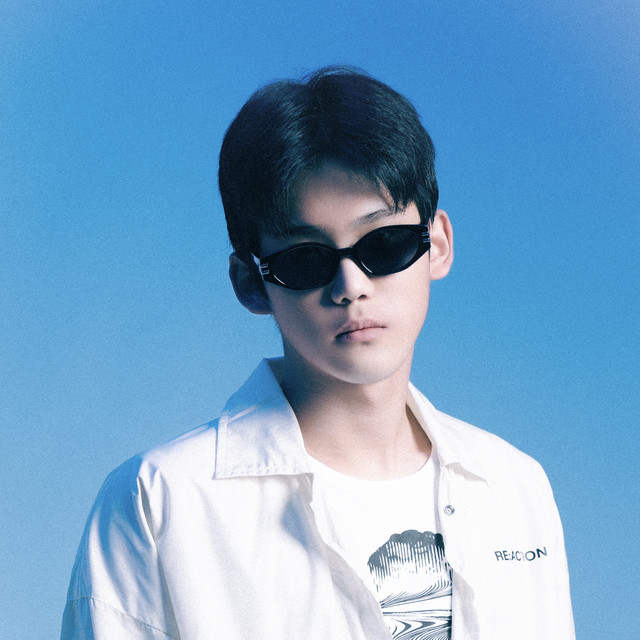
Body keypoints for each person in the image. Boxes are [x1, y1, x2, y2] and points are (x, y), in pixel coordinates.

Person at [61, 66, 575, 640]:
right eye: (306, 258)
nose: (351, 286)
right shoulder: (160, 502)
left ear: (436, 245)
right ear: (251, 283)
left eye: (384, 244)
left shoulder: (514, 486)